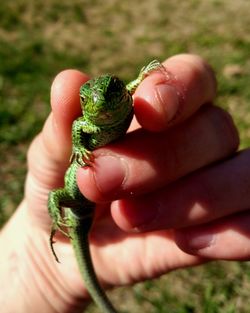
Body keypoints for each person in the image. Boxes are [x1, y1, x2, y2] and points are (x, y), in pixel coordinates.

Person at [1, 54, 249, 313]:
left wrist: (143, 79)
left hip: (101, 212)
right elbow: (77, 126)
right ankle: (55, 223)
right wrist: (77, 149)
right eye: (87, 101)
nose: (97, 105)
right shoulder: (86, 124)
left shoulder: (128, 99)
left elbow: (132, 89)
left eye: (112, 93)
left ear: (121, 93)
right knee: (56, 197)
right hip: (74, 203)